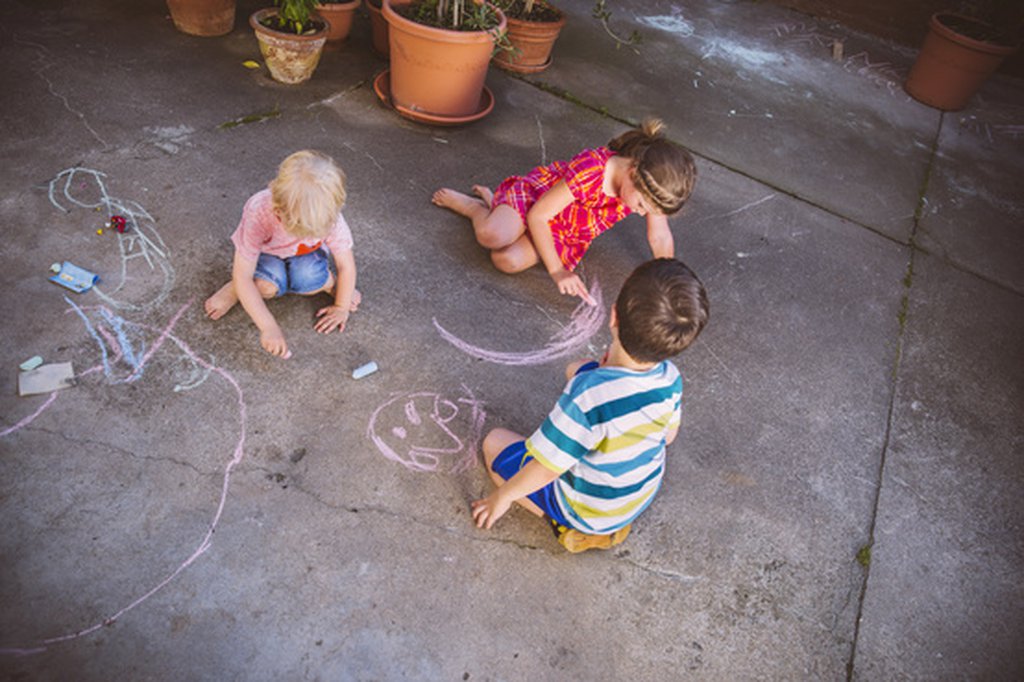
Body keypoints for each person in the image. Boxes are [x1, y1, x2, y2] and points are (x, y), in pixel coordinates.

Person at [471, 258, 709, 553]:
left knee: (494, 444)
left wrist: (502, 497)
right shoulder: (670, 378)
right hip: (638, 497)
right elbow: (668, 437)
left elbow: (547, 468)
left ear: (613, 317)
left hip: (586, 510)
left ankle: (567, 527)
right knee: (578, 368)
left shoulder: (588, 396)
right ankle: (607, 522)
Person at [432, 119, 696, 306]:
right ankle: (477, 208)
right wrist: (558, 271)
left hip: (564, 231)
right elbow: (538, 215)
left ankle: (497, 212)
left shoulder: (651, 188)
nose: (640, 213)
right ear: (633, 172)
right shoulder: (591, 171)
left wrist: (667, 277)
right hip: (536, 203)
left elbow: (660, 237)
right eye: (640, 206)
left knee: (506, 261)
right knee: (491, 235)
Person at [204, 150, 359, 358]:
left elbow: (346, 265)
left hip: (307, 258)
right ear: (279, 213)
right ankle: (234, 290)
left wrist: (341, 306)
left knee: (311, 279)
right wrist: (268, 327)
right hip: (267, 258)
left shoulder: (328, 214)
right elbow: (243, 274)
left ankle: (330, 284)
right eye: (304, 231)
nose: (312, 234)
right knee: (264, 287)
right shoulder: (259, 212)